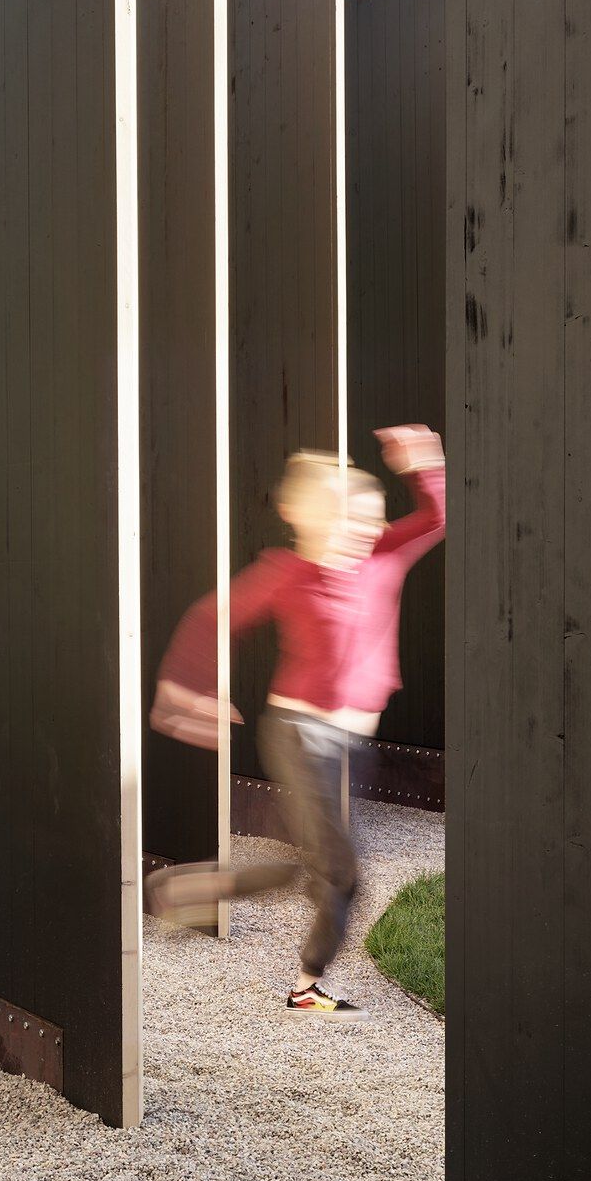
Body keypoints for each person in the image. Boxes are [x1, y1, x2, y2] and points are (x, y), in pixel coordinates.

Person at [146, 424, 446, 1016]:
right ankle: (307, 989)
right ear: (310, 521)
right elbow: (213, 617)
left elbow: (436, 517)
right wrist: (184, 691)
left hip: (353, 741)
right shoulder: (288, 573)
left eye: (375, 517)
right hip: (301, 734)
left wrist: (423, 463)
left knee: (330, 871)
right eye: (353, 519)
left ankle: (203, 892)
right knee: (341, 871)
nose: (368, 530)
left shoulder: (385, 554)